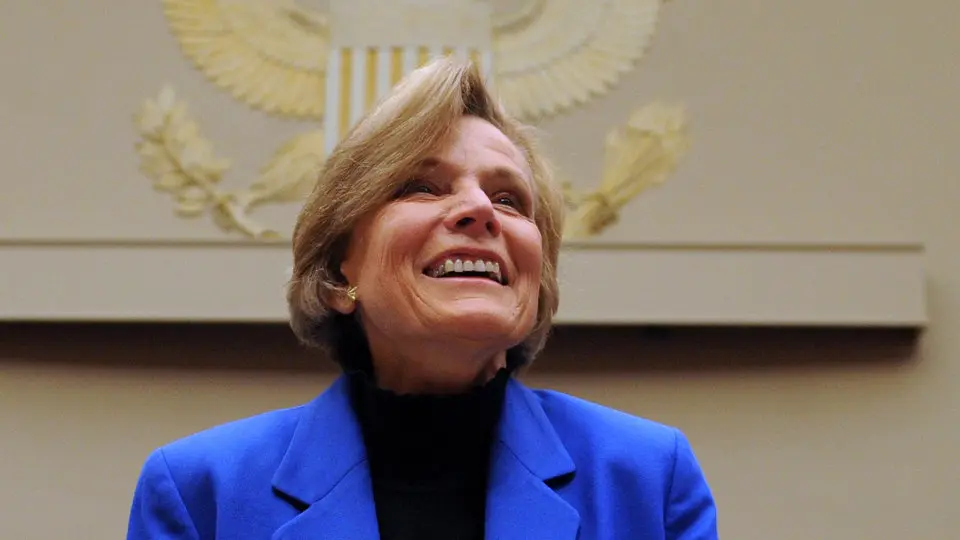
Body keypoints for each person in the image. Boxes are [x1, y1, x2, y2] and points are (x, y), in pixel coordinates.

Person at [125, 57, 718, 540]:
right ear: (337, 277)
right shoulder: (201, 493)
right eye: (421, 187)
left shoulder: (647, 478)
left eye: (508, 199)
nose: (480, 209)